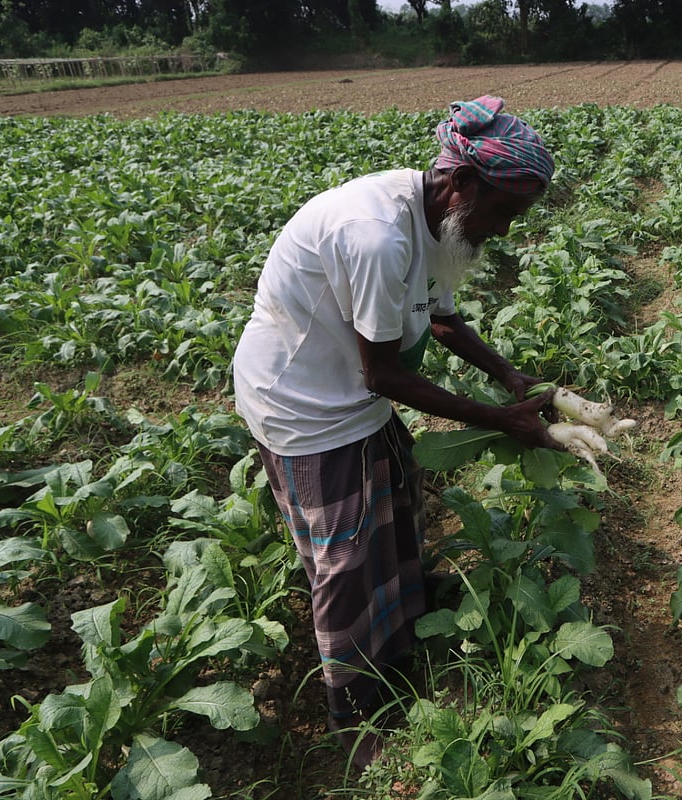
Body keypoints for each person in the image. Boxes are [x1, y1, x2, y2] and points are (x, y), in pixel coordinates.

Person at [232, 95, 562, 768]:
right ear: (465, 184)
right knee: (345, 558)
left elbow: (440, 320)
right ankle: (352, 717)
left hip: (350, 395)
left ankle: (400, 638)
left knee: (399, 499)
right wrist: (501, 421)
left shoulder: (434, 217)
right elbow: (383, 373)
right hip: (303, 403)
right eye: (505, 212)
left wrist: (510, 377)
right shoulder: (377, 235)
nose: (502, 231)